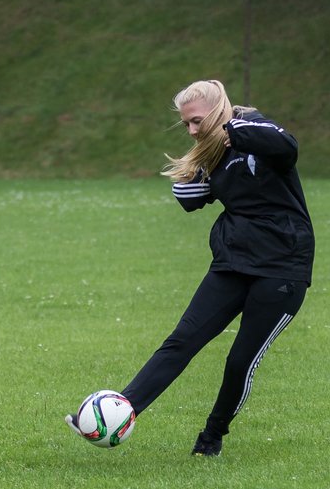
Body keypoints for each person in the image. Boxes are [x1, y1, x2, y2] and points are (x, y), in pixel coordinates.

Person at [66, 79, 314, 456]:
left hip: (282, 268)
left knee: (239, 361)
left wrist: (230, 129)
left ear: (218, 111)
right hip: (233, 262)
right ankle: (123, 410)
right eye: (187, 125)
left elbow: (286, 146)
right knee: (182, 340)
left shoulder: (256, 130)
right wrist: (201, 163)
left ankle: (212, 436)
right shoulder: (212, 154)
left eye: (197, 121)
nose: (192, 130)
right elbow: (188, 199)